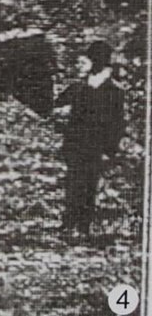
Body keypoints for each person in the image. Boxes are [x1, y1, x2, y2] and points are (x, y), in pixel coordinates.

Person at [55, 40, 126, 238]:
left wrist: (109, 150)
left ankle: (83, 226)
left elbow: (117, 124)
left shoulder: (115, 91)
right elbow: (57, 105)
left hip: (96, 146)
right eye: (93, 57)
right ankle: (69, 223)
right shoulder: (79, 86)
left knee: (88, 185)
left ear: (104, 60)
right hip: (76, 144)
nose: (95, 61)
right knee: (73, 183)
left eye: (98, 58)